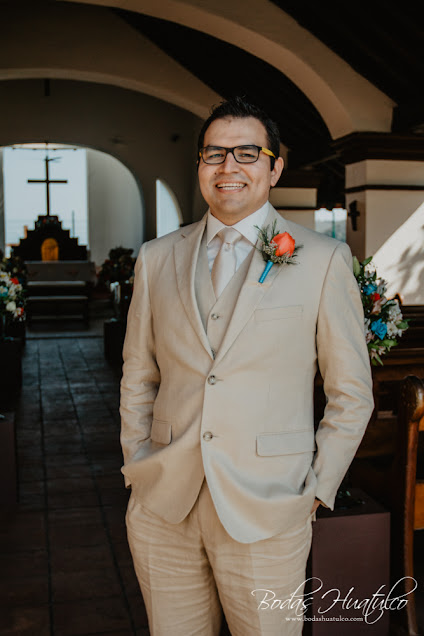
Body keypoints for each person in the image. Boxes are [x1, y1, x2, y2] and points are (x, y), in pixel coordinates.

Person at [120, 97, 374, 635]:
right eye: (214, 153)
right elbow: (139, 376)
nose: (228, 167)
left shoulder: (322, 259)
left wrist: (313, 488)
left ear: (274, 167)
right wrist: (138, 460)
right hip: (164, 503)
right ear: (200, 165)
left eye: (247, 153)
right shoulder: (156, 258)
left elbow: (351, 392)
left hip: (268, 510)